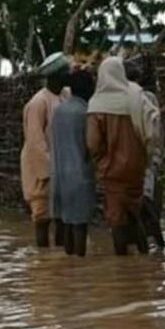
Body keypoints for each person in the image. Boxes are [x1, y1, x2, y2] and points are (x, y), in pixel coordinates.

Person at [87, 57, 154, 256]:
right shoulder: (136, 97)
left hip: (113, 169)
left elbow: (92, 143)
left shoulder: (97, 103)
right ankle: (144, 257)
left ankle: (122, 262)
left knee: (116, 217)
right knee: (134, 210)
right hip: (136, 166)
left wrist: (101, 162)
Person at [20, 52, 71, 247]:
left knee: (62, 217)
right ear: (55, 75)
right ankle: (43, 263)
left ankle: (60, 263)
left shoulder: (67, 95)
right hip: (42, 168)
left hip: (63, 165)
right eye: (65, 72)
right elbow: (35, 141)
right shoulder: (38, 103)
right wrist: (48, 171)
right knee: (42, 217)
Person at [50, 69, 96, 257]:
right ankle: (79, 266)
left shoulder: (59, 110)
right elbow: (91, 145)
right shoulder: (85, 112)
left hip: (60, 174)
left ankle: (69, 268)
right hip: (80, 174)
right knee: (79, 224)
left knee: (67, 222)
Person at [124, 62, 165, 249]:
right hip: (149, 156)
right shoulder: (146, 97)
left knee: (144, 201)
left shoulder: (140, 98)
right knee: (147, 199)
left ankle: (153, 241)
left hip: (142, 156)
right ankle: (153, 242)